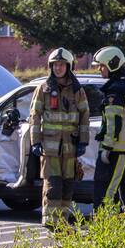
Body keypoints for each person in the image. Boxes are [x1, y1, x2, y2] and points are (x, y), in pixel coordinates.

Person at [29, 48, 90, 228]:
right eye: (55, 65)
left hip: (70, 147)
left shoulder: (77, 91)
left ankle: (62, 222)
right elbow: (34, 115)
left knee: (68, 185)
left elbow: (85, 115)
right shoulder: (43, 89)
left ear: (68, 66)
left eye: (61, 65)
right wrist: (36, 141)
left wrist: (83, 141)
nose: (58, 68)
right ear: (51, 66)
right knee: (53, 184)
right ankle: (50, 221)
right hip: (50, 147)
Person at [92, 45, 125, 222]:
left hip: (117, 150)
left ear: (112, 64)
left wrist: (107, 147)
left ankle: (104, 225)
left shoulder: (115, 90)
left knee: (106, 188)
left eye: (102, 66)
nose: (100, 69)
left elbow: (114, 122)